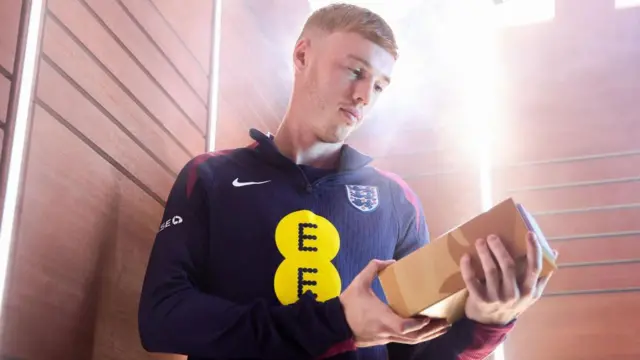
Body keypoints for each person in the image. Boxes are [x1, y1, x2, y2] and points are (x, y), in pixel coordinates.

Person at [138, 3, 555, 360]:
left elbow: (414, 353)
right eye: (355, 71)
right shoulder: (209, 176)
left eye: (379, 85)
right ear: (302, 56)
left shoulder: (396, 200)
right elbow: (162, 319)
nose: (364, 96)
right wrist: (339, 324)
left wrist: (488, 323)